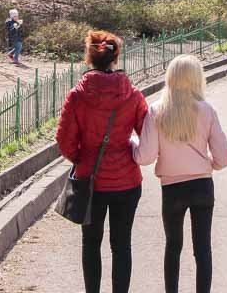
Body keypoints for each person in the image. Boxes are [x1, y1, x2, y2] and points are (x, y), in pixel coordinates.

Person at [56, 31, 149, 293]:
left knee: (91, 243)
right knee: (122, 245)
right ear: (115, 58)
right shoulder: (132, 95)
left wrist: (82, 158)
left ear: (89, 58)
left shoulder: (77, 95)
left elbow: (64, 140)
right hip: (127, 182)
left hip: (90, 181)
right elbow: (147, 134)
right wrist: (130, 148)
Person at [134, 55, 227, 293]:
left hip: (172, 187)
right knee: (203, 248)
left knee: (173, 246)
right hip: (202, 185)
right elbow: (224, 157)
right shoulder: (206, 110)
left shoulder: (157, 110)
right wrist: (209, 163)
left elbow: (144, 157)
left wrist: (131, 142)